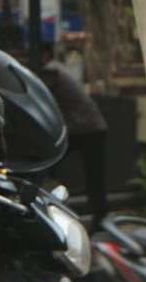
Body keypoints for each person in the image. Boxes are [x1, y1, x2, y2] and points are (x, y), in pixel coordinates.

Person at [37, 43, 110, 230]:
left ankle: (99, 218)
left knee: (49, 162)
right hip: (86, 128)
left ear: (44, 54)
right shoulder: (57, 68)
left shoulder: (51, 71)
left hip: (86, 129)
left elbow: (43, 101)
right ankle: (99, 217)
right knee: (91, 174)